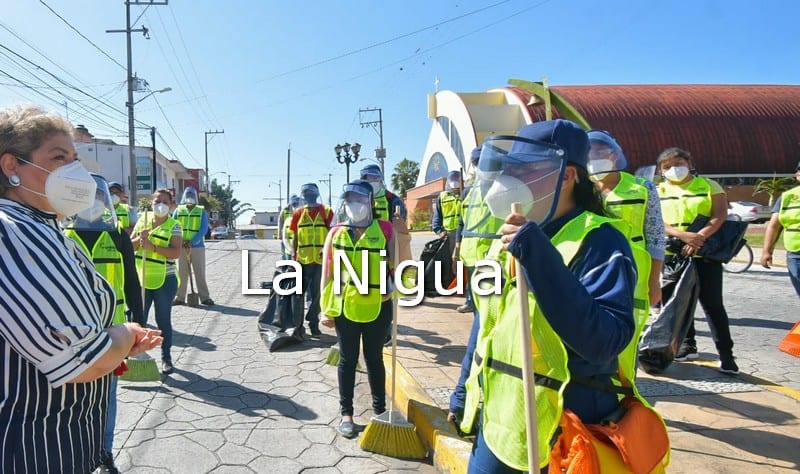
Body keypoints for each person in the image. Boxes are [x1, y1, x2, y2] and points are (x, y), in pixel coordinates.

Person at [459, 120, 640, 472]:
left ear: (568, 175)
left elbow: (604, 341)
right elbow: (485, 326)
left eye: (523, 170)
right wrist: (465, 393)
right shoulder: (505, 241)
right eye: (507, 170)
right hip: (499, 426)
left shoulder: (601, 241)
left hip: (563, 429)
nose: (506, 182)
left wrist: (540, 257)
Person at [0, 104, 161, 472]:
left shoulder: (45, 228)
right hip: (30, 451)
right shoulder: (12, 232)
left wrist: (115, 342)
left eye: (75, 158)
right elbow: (80, 362)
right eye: (58, 158)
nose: (75, 171)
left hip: (64, 441)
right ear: (12, 166)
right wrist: (124, 334)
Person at [63, 174, 146, 474]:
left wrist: (139, 319)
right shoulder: (62, 236)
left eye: (100, 197)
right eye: (88, 196)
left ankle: (104, 452)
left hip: (113, 329)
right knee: (75, 398)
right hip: (75, 332)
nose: (95, 202)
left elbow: (132, 281)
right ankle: (75, 454)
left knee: (106, 398)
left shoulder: (119, 235)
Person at [320, 180, 394, 438]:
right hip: (345, 307)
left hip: (379, 306)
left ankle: (380, 412)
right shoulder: (336, 233)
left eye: (359, 200)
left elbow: (399, 265)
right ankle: (346, 414)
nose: (354, 204)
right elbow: (328, 275)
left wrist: (393, 287)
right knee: (348, 359)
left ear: (370, 203)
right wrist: (326, 309)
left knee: (375, 359)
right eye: (349, 199)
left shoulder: (384, 229)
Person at [656, 147, 738, 374]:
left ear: (690, 162)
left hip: (705, 253)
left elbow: (719, 215)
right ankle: (686, 345)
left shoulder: (709, 186)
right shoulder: (657, 190)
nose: (674, 169)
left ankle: (726, 355)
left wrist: (699, 237)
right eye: (667, 166)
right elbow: (655, 220)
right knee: (677, 303)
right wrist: (682, 235)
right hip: (674, 254)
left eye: (679, 163)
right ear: (660, 170)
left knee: (712, 305)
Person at [587, 130, 666, 307]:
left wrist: (653, 282)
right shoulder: (580, 189)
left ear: (615, 155)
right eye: (589, 154)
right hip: (593, 269)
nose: (594, 159)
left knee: (631, 325)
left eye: (600, 153)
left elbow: (656, 236)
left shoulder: (643, 187)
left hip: (634, 269)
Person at [132, 188, 183, 375]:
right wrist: (140, 238)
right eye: (157, 201)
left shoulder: (174, 225)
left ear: (171, 205)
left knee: (163, 320)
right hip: (141, 278)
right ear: (151, 204)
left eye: (165, 202)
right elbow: (130, 245)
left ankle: (166, 357)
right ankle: (136, 356)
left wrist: (152, 246)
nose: (160, 205)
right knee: (138, 320)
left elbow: (176, 252)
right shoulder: (142, 221)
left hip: (165, 279)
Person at [454, 147, 501, 314]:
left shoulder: (505, 188)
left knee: (492, 305)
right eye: (477, 164)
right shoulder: (468, 191)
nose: (481, 167)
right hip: (471, 254)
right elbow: (462, 221)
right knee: (477, 303)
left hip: (494, 255)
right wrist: (457, 246)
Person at [291, 183, 333, 336]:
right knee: (298, 294)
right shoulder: (298, 213)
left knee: (318, 294)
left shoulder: (327, 212)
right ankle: (297, 326)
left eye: (311, 192)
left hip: (321, 261)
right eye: (306, 192)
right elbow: (294, 237)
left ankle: (313, 323)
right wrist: (291, 258)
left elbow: (333, 235)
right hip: (302, 260)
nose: (309, 194)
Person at [761, 160, 800, 298]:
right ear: (797, 175)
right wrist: (767, 251)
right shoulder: (787, 197)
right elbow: (774, 226)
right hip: (795, 253)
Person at [173, 186, 214, 306]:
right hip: (181, 246)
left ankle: (205, 297)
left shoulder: (201, 211)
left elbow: (204, 228)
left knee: (199, 272)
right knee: (182, 273)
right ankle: (180, 297)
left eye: (192, 195)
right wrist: (180, 241)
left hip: (197, 247)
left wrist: (192, 241)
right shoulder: (178, 211)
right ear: (184, 197)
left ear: (195, 197)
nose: (189, 198)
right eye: (188, 195)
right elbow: (173, 226)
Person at [432, 169, 463, 290]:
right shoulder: (442, 196)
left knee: (461, 260)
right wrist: (439, 231)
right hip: (448, 234)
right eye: (452, 180)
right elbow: (436, 218)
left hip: (463, 234)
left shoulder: (466, 194)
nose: (454, 183)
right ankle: (448, 285)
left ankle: (462, 284)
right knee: (448, 262)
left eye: (457, 180)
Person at [279, 194, 302, 259]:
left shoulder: (302, 214)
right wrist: (280, 234)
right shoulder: (285, 210)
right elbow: (280, 221)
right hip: (286, 233)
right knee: (284, 252)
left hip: (298, 245)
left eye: (297, 203)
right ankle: (284, 266)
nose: (295, 206)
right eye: (294, 204)